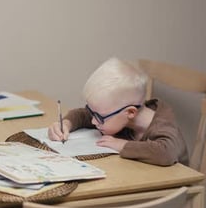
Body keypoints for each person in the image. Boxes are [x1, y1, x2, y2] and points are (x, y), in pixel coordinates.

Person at [48, 57, 188, 166]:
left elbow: (166, 153)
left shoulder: (164, 127)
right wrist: (66, 124)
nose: (93, 120)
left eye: (100, 117)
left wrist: (122, 145)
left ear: (130, 113)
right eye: (92, 112)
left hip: (169, 193)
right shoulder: (119, 115)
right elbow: (82, 115)